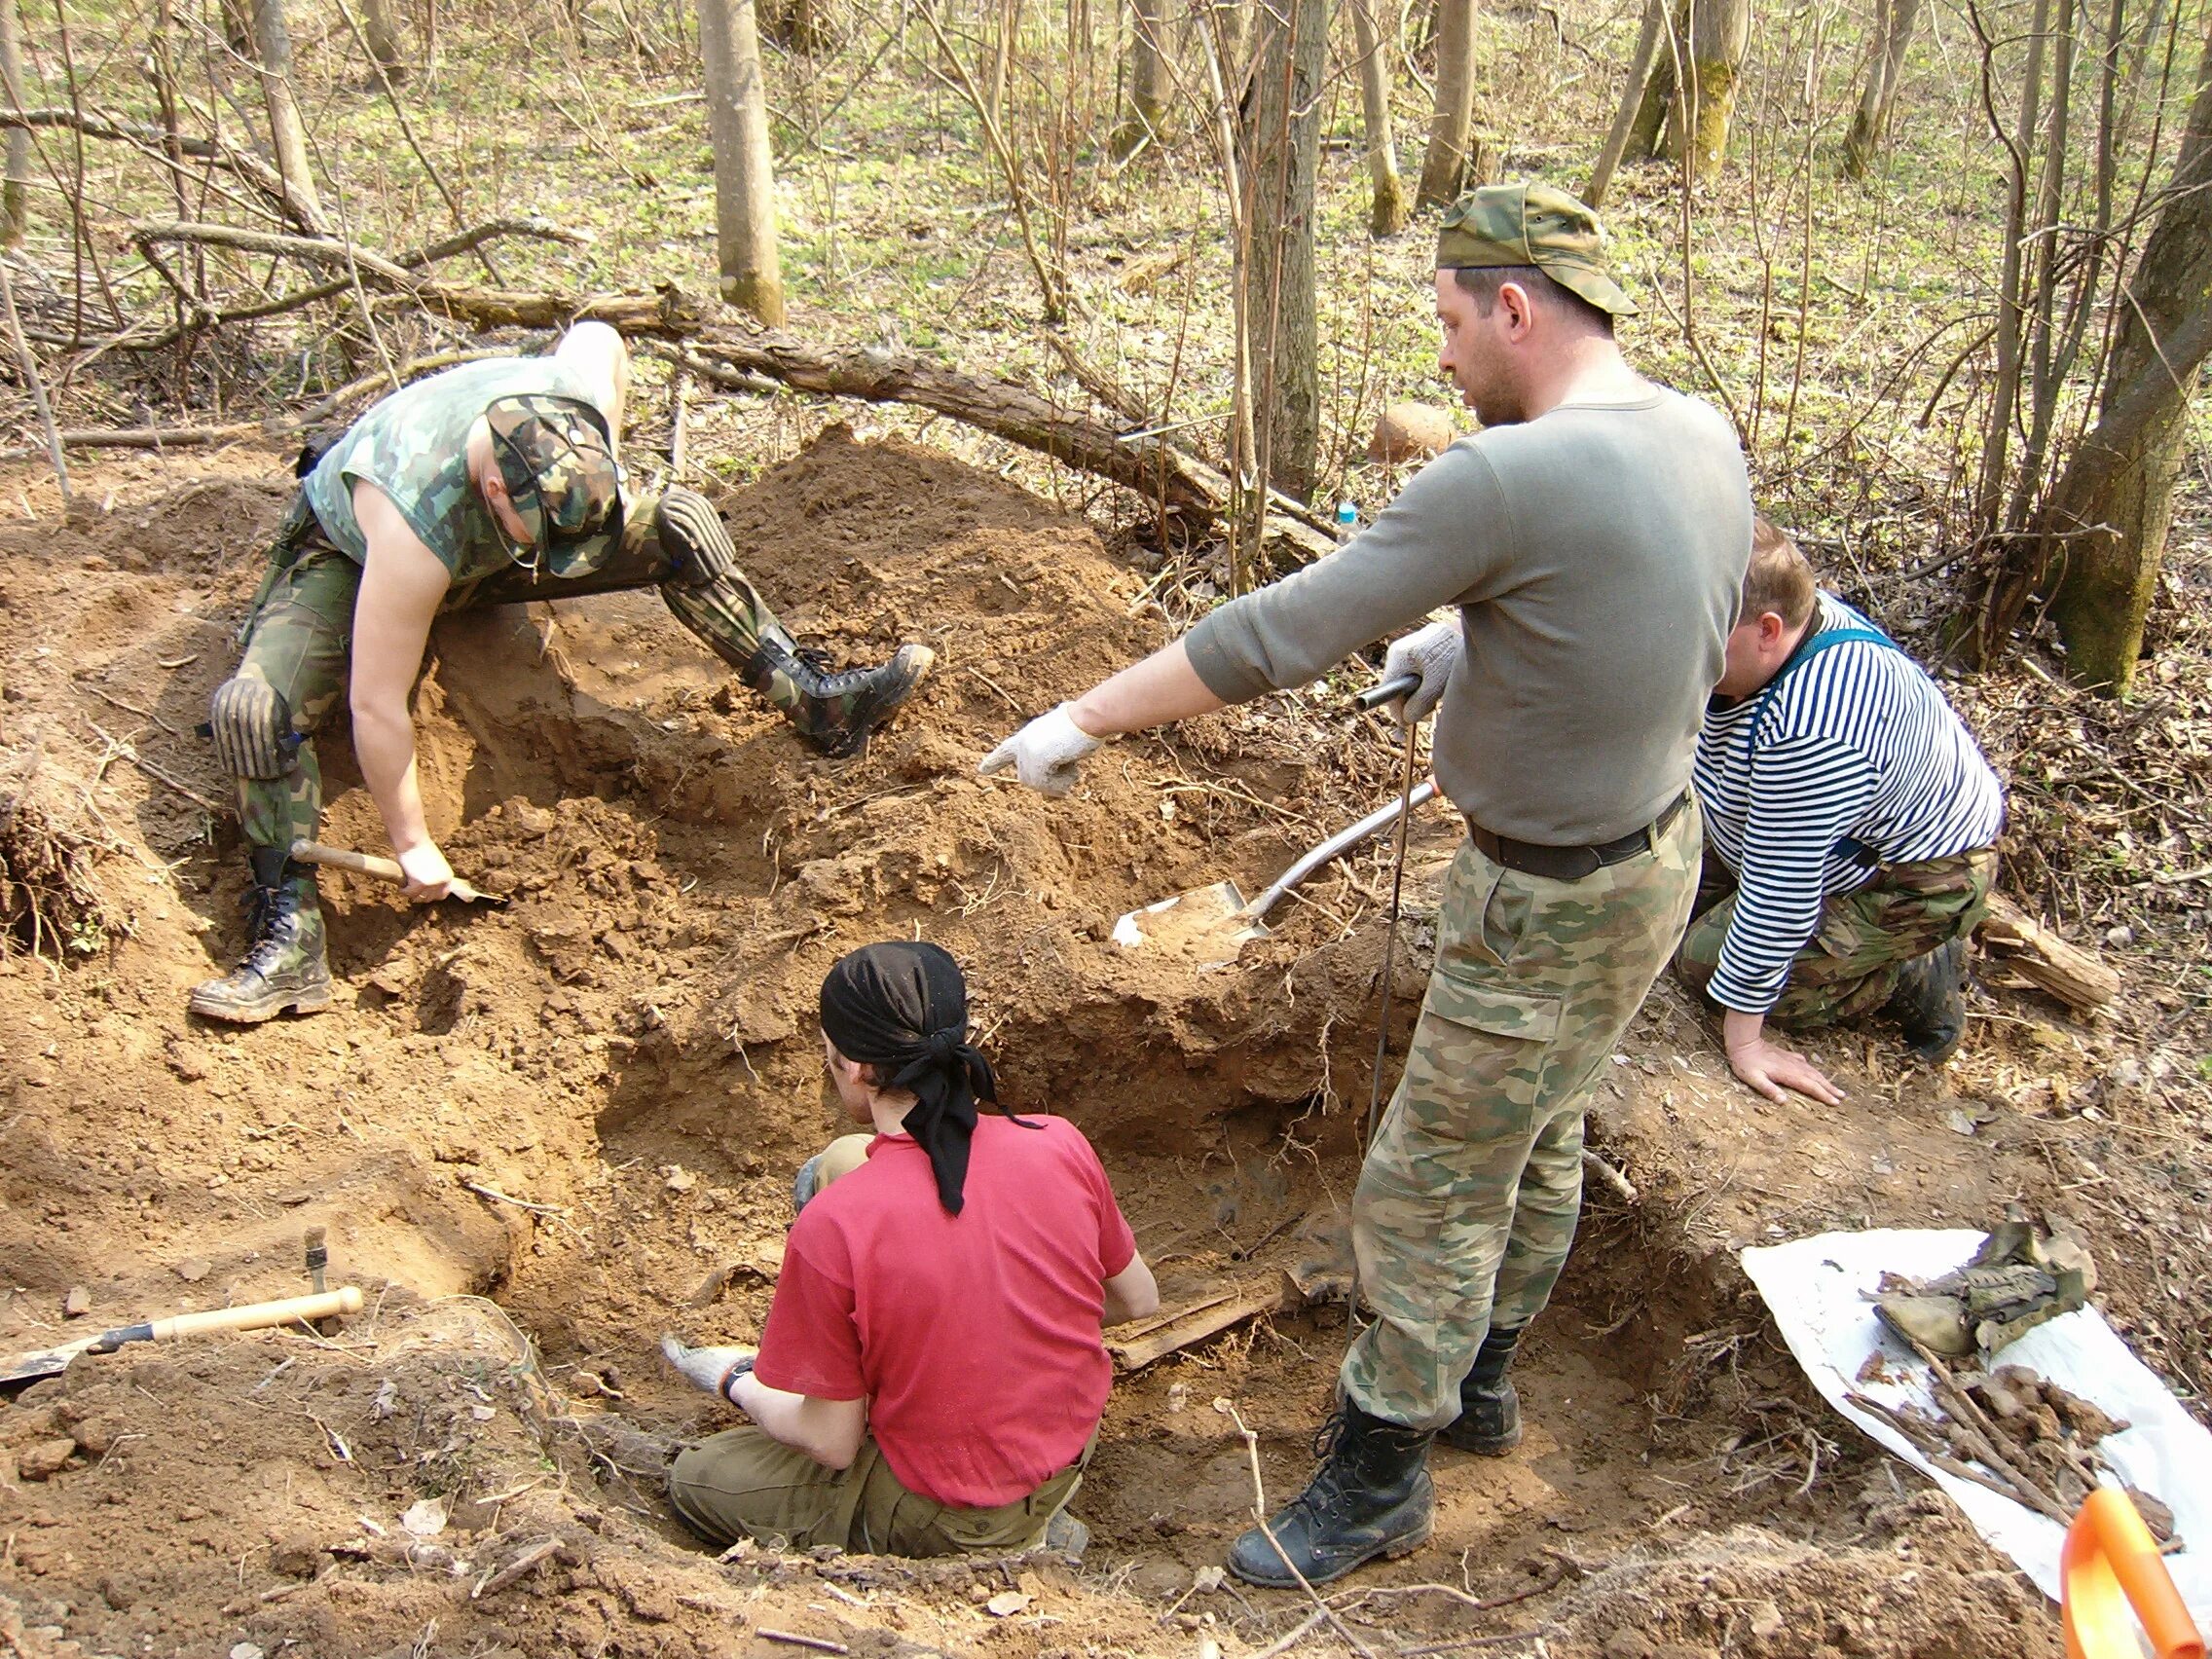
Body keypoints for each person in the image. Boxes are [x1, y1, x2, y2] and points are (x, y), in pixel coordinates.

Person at [977, 182, 1751, 1587]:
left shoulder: (1503, 476)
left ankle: (1384, 1466)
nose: (1444, 358)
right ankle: (1492, 1375)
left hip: (1545, 899)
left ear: (1515, 308)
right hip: (1655, 859)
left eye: (1453, 323)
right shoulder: (1695, 429)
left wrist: (1082, 718)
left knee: (1427, 1186)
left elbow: (1280, 634)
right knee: (1547, 1124)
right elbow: (1652, 614)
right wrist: (1488, 648)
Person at [189, 325, 934, 1024]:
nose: (565, 560)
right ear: (492, 495)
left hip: (498, 537)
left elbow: (601, 337)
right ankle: (290, 936)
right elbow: (377, 704)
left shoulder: (571, 403)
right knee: (254, 713)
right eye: (544, 538)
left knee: (680, 523)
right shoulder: (411, 519)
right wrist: (411, 844)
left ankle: (815, 705)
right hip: (350, 558)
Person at [659, 940, 1159, 1558]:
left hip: (954, 1505)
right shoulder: (1058, 1141)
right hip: (1067, 1446)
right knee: (840, 1161)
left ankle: (1010, 1542)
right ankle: (1023, 1512)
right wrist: (1005, 1318)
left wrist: (737, 1379)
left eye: (829, 1056)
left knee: (698, 1476)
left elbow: (832, 1441)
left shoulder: (835, 1228)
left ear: (860, 1070)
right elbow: (1137, 1297)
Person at [1675, 521, 2006, 1103]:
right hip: (1786, 824)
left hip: (1913, 875)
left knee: (1706, 966)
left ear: (1768, 632)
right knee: (1657, 904)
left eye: (1701, 632)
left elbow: (1781, 890)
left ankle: (1914, 974)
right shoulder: (1764, 606)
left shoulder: (1813, 729)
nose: (1682, 645)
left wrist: (1744, 1043)